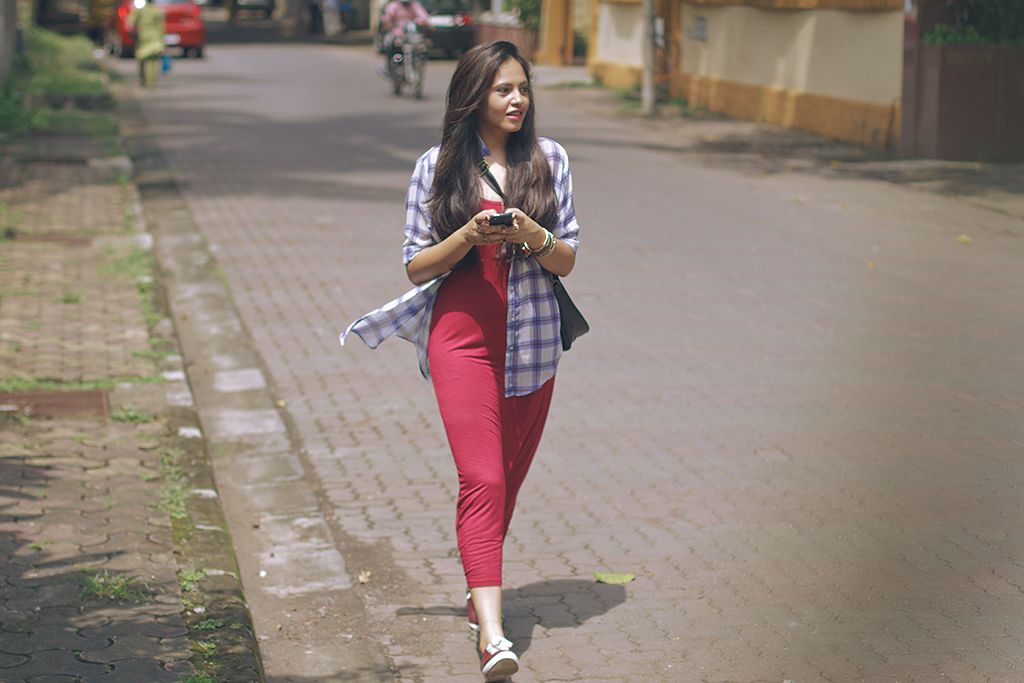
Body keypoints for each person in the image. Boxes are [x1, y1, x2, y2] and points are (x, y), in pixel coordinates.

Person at [340, 40, 581, 681]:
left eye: (523, 88)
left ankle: (478, 594)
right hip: (462, 339)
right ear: (474, 97)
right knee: (483, 479)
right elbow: (416, 264)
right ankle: (494, 638)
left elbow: (567, 259)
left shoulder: (550, 160)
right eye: (503, 90)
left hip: (533, 343)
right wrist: (469, 234)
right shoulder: (437, 166)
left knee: (507, 480)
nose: (517, 100)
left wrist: (533, 234)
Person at [378, 0, 430, 75]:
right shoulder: (394, 5)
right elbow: (387, 17)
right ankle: (390, 66)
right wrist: (388, 22)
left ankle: (418, 64)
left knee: (421, 45)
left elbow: (423, 16)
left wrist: (424, 22)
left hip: (411, 34)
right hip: (397, 33)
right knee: (389, 43)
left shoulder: (414, 5)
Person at [128, 0, 165, 88]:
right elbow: (162, 27)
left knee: (141, 59)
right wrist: (162, 41)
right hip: (155, 39)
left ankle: (143, 79)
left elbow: (130, 23)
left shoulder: (139, 11)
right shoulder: (158, 11)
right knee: (153, 61)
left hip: (143, 39)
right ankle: (151, 83)